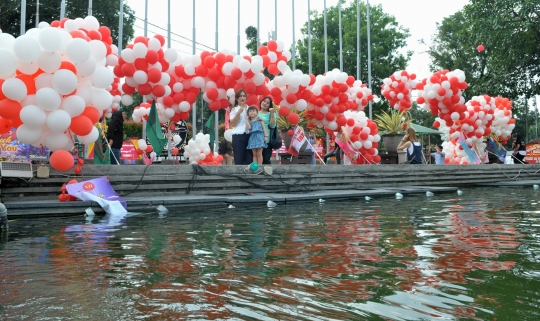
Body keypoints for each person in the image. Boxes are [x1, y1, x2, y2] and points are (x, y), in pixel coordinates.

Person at [229, 89, 253, 165]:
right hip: (238, 136)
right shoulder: (234, 109)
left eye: (244, 96)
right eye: (240, 96)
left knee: (249, 159)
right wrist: (239, 112)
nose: (242, 98)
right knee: (239, 159)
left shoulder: (250, 109)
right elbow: (233, 124)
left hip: (249, 135)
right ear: (237, 98)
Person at [259, 97, 277, 164]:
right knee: (257, 158)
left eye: (267, 103)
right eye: (264, 101)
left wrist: (272, 114)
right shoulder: (255, 112)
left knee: (266, 159)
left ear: (269, 105)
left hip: (266, 140)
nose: (265, 103)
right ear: (261, 101)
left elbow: (272, 125)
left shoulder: (271, 114)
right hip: (256, 139)